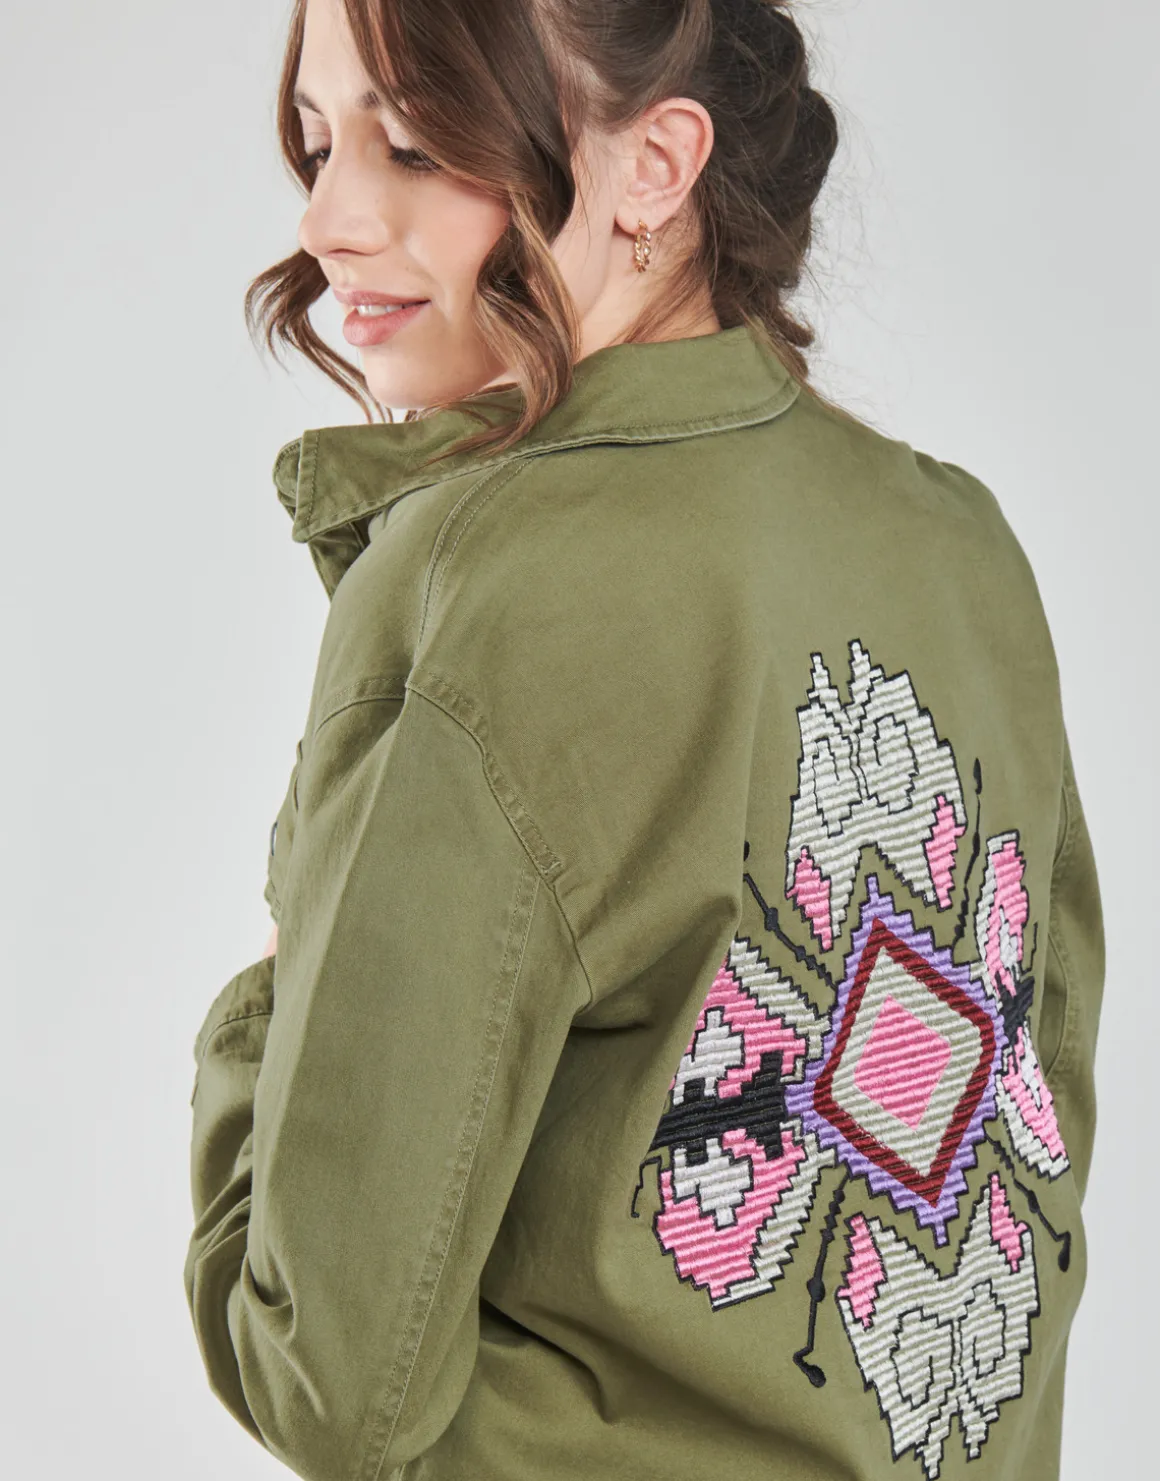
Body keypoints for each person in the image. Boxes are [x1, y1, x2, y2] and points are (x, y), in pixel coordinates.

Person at [183, 1, 1105, 1477]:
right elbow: (1031, 1177)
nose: (328, 218)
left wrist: (275, 1003)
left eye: (414, 146)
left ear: (657, 166)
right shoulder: (963, 546)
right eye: (316, 141)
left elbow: (333, 1382)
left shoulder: (480, 580)